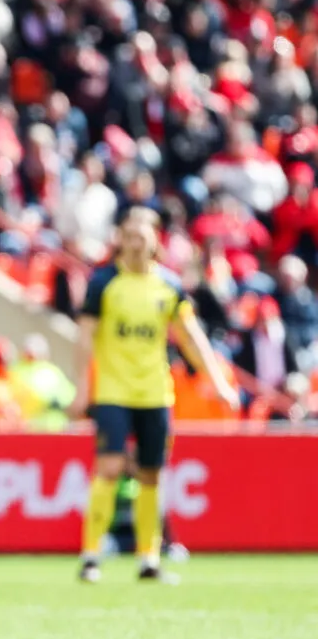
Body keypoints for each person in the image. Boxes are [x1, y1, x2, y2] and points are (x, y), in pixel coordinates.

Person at [68, 207, 239, 584]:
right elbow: (85, 337)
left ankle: (149, 558)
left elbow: (191, 336)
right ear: (119, 239)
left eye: (141, 237)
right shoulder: (103, 283)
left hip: (155, 393)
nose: (134, 244)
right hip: (113, 391)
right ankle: (91, 555)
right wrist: (83, 388)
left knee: (152, 473)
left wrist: (217, 380)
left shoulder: (169, 285)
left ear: (155, 242)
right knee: (109, 468)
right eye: (128, 236)